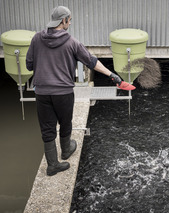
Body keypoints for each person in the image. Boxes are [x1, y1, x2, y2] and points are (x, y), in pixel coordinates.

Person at [26, 6, 122, 176]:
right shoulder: (72, 43)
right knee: (65, 122)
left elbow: (29, 65)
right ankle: (66, 149)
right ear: (63, 21)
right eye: (69, 20)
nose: (70, 22)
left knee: (47, 128)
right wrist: (112, 75)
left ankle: (52, 165)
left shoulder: (36, 39)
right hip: (63, 92)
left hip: (42, 91)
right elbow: (91, 62)